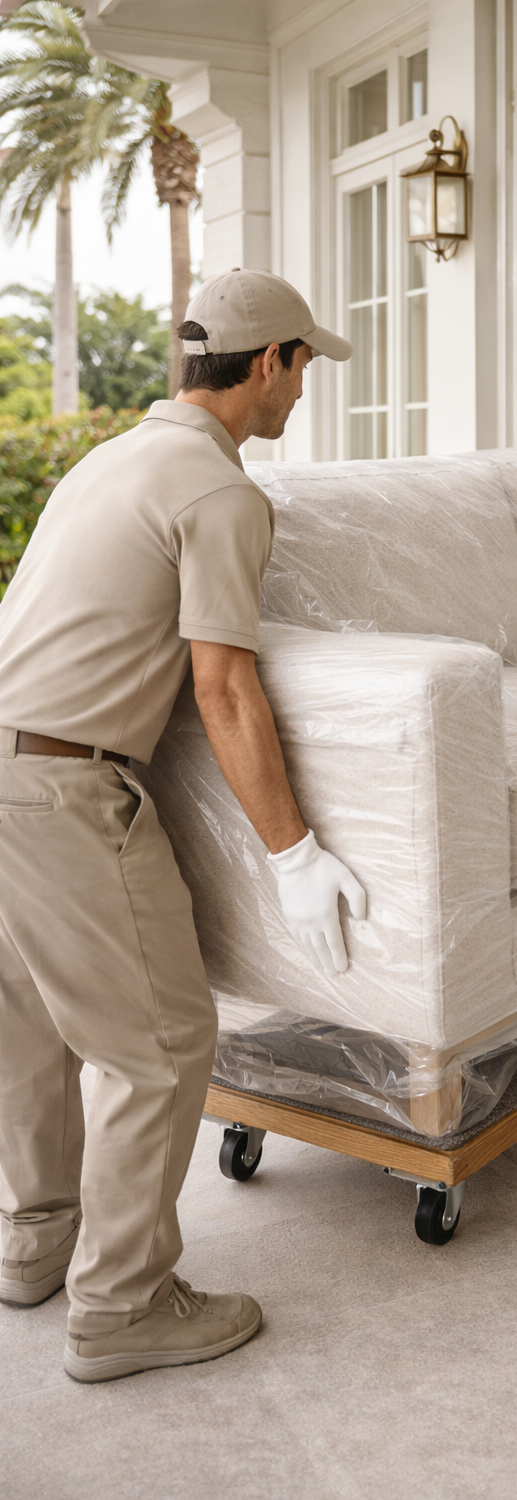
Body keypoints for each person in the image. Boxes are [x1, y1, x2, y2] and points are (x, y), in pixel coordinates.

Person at [0, 269, 366, 1382]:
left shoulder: (112, 458)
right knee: (158, 1050)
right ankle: (121, 1309)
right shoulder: (219, 492)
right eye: (304, 367)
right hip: (62, 787)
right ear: (269, 365)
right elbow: (225, 690)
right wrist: (296, 855)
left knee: (30, 1023)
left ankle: (36, 1246)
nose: (303, 392)